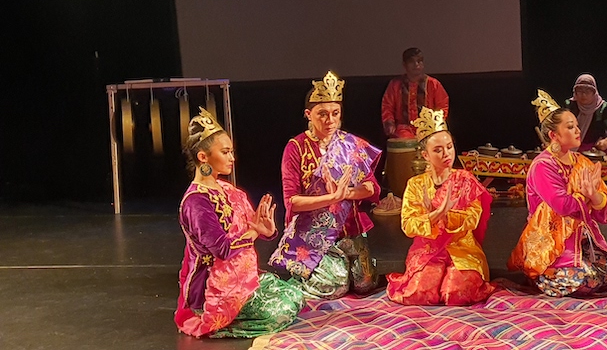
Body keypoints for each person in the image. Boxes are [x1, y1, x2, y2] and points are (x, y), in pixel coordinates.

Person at [175, 108, 303, 338]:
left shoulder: (224, 188)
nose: (232, 158)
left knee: (294, 294)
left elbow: (249, 228)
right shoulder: (196, 203)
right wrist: (255, 233)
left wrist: (267, 230)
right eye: (225, 152)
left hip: (240, 277)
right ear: (203, 157)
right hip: (213, 288)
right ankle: (221, 322)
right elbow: (222, 249)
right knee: (282, 309)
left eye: (231, 152)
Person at [269, 72, 383, 299]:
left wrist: (346, 193)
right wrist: (330, 199)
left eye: (335, 114)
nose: (330, 120)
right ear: (308, 115)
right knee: (334, 287)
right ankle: (305, 272)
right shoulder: (296, 148)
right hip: (313, 233)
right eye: (322, 114)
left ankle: (339, 264)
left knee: (365, 283)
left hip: (349, 228)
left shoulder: (349, 144)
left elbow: (371, 187)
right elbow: (293, 201)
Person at [508, 89, 607, 297]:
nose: (578, 131)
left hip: (581, 238)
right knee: (585, 281)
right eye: (570, 127)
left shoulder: (581, 162)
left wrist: (594, 196)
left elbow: (601, 200)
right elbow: (562, 205)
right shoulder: (543, 166)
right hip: (552, 242)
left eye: (577, 126)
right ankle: (543, 275)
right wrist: (585, 197)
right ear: (554, 135)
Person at [386, 107, 495, 305]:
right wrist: (434, 216)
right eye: (438, 150)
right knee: (420, 293)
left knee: (454, 294)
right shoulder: (416, 185)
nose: (446, 154)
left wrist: (448, 215)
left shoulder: (465, 180)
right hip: (428, 251)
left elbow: (473, 218)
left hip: (462, 249)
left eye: (449, 147)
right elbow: (408, 225)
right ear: (425, 155)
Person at [381, 47, 450, 139]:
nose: (416, 64)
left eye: (419, 61)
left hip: (429, 130)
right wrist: (389, 124)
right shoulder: (395, 84)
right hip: (403, 130)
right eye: (411, 62)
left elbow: (442, 107)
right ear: (404, 65)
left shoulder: (433, 84)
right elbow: (387, 106)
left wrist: (435, 126)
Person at [564, 74, 607, 152]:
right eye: (580, 91)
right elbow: (560, 127)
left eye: (588, 91)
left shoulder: (602, 108)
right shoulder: (569, 105)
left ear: (594, 93)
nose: (583, 95)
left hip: (595, 151)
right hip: (570, 148)